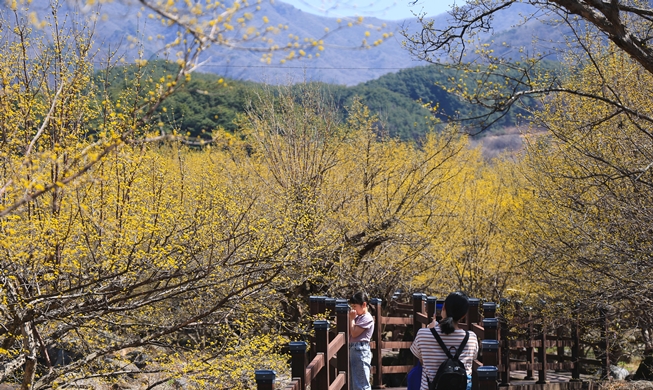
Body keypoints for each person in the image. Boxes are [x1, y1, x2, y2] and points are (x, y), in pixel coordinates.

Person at [410, 291, 479, 390]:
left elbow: (421, 360)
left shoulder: (423, 334)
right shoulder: (471, 338)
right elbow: (473, 358)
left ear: (443, 307)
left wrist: (431, 328)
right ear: (463, 315)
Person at [349, 292, 375, 390]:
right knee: (355, 382)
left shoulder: (367, 318)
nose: (353, 309)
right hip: (354, 349)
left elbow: (354, 333)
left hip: (360, 350)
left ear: (364, 305)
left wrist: (351, 319)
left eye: (355, 306)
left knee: (361, 383)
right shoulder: (358, 317)